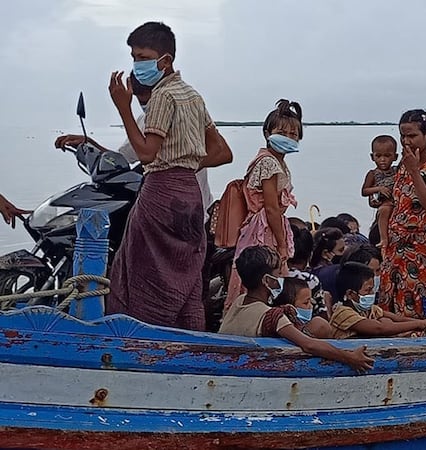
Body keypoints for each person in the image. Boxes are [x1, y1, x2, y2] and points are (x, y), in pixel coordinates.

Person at [106, 22, 233, 330]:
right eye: (134, 56)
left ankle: (140, 339)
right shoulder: (192, 96)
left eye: (142, 56)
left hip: (162, 194)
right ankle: (191, 340)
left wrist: (123, 108)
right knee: (186, 277)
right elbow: (221, 152)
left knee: (139, 269)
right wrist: (185, 164)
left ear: (165, 60)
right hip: (190, 195)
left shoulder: (162, 96)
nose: (137, 64)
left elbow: (147, 153)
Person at [56, 75, 220, 219]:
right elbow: (121, 157)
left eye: (149, 99)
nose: (147, 104)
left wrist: (124, 109)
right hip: (158, 205)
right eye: (141, 100)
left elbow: (221, 153)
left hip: (187, 212)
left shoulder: (184, 116)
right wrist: (88, 142)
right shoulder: (144, 120)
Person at [219, 246, 373, 372]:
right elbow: (309, 345)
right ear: (267, 280)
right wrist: (350, 358)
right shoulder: (272, 315)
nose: (282, 278)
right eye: (279, 274)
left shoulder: (240, 301)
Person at [224, 100, 302, 310]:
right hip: (263, 228)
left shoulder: (275, 161)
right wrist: (282, 243)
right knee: (266, 275)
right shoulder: (268, 163)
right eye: (282, 132)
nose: (288, 138)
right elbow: (271, 208)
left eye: (293, 134)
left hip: (263, 224)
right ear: (267, 133)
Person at [378, 109, 426, 318]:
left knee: (412, 304)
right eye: (403, 136)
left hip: (419, 247)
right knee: (387, 300)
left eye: (412, 136)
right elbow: (398, 201)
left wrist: (413, 171)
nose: (406, 141)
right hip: (395, 244)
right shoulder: (403, 163)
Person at [331, 262, 426, 338]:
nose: (372, 294)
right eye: (368, 290)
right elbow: (379, 328)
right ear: (350, 294)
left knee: (386, 320)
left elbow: (396, 318)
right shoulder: (343, 312)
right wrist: (419, 324)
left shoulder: (370, 310)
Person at [361, 135, 398, 249]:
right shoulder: (373, 174)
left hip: (396, 203)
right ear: (372, 157)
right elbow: (364, 191)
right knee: (384, 210)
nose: (382, 159)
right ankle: (383, 238)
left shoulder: (396, 170)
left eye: (387, 156)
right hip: (384, 203)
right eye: (378, 156)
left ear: (395, 157)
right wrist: (378, 189)